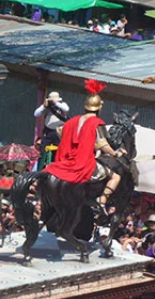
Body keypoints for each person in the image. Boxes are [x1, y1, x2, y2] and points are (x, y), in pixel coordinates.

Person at [42, 79, 124, 209]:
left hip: (66, 159)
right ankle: (101, 201)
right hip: (84, 162)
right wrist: (116, 153)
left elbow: (60, 132)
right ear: (99, 108)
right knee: (116, 177)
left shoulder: (72, 121)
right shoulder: (97, 123)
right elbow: (103, 144)